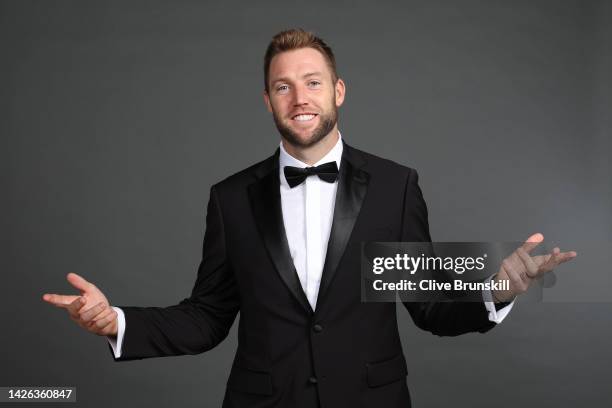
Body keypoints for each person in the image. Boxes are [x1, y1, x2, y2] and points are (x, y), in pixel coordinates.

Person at [43, 29, 576, 408]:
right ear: (268, 101)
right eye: (283, 86)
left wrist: (496, 290)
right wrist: (117, 322)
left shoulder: (396, 185)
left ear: (338, 91)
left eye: (313, 82)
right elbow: (207, 318)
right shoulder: (230, 198)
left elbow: (428, 305)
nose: (300, 98)